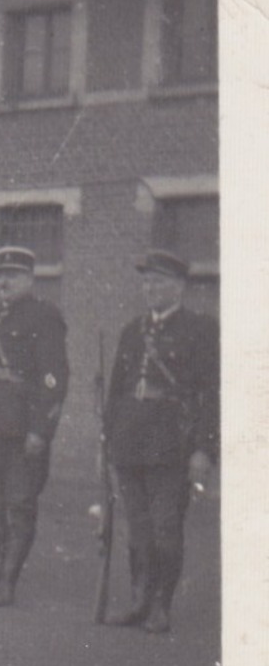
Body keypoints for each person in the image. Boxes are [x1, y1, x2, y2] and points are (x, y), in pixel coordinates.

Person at [101, 250, 218, 634]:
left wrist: (203, 449)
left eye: (161, 282)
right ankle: (139, 600)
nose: (151, 288)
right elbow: (117, 391)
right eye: (147, 282)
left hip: (171, 443)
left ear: (180, 287)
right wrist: (109, 440)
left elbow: (211, 394)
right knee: (137, 528)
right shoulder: (132, 331)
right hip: (130, 440)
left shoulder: (200, 329)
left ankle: (161, 606)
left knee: (166, 528)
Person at [0, 246, 69, 608]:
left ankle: (8, 580)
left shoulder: (44, 316)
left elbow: (54, 379)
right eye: (0, 275)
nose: (4, 281)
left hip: (20, 430)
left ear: (31, 279)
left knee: (18, 504)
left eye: (14, 275)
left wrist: (40, 431)